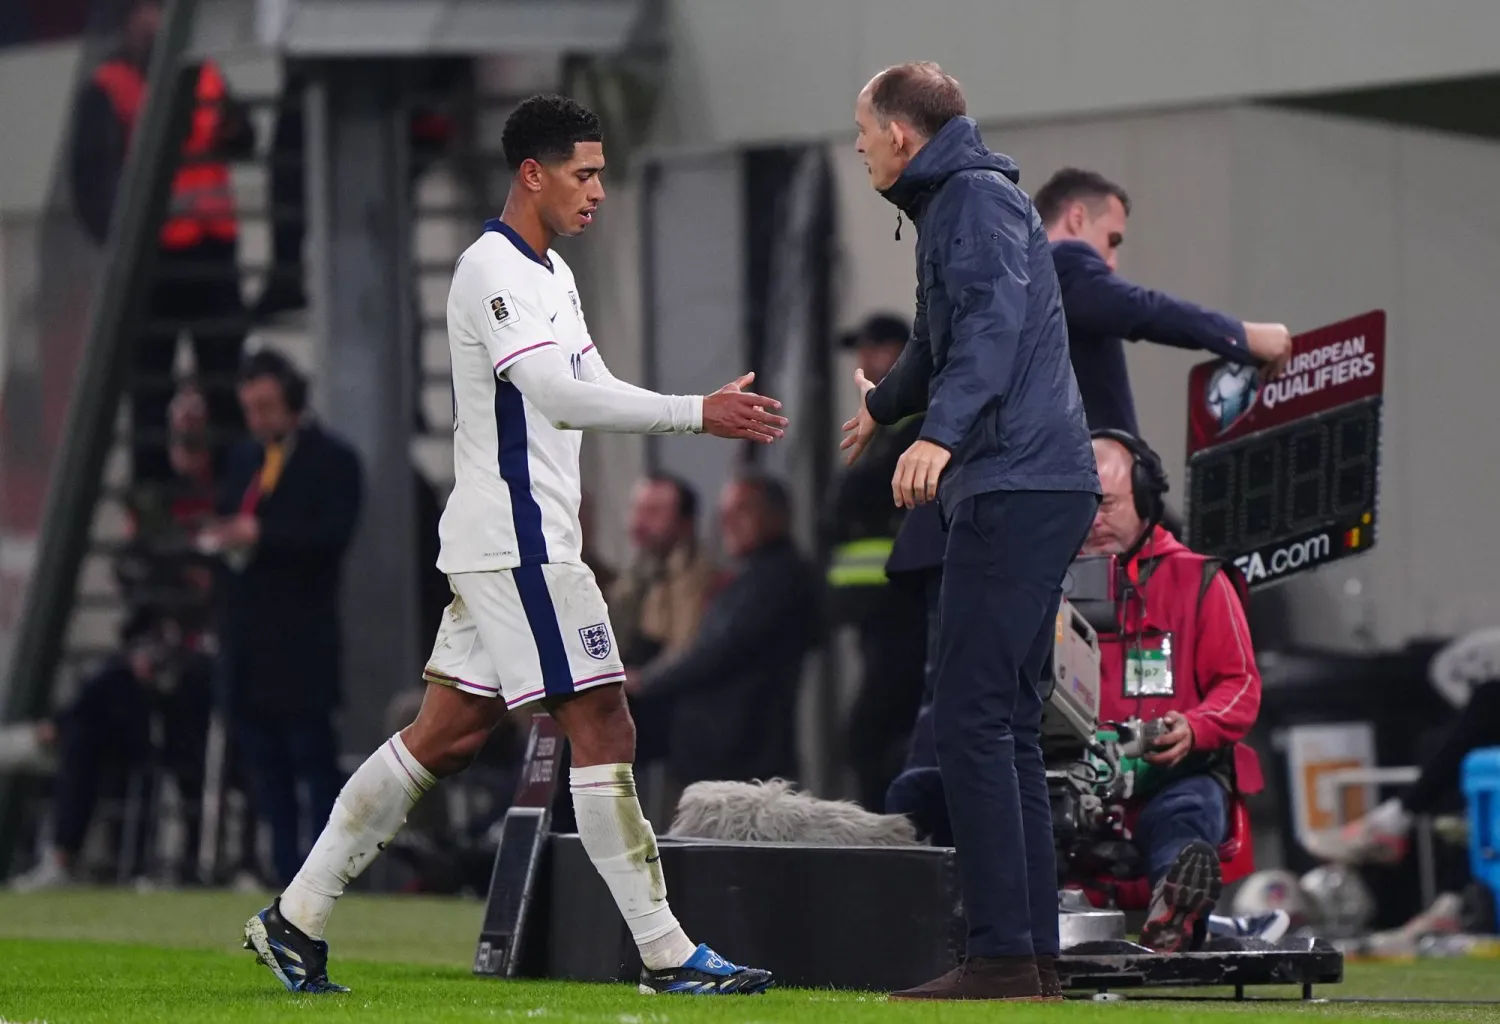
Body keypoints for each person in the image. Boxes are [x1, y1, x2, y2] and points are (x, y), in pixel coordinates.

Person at [243, 94, 784, 996]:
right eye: (586, 172)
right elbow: (557, 397)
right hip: (521, 546)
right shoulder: (488, 271)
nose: (599, 190)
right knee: (605, 720)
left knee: (444, 736)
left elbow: (591, 383)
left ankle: (294, 918)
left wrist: (694, 405)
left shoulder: (553, 274)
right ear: (532, 173)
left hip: (514, 541)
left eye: (602, 172)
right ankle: (667, 954)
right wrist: (696, 414)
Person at [842, 63, 1100, 1002]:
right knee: (1006, 726)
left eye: (864, 128)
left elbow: (989, 327)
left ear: (902, 135)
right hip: (1036, 482)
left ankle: (999, 957)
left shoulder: (971, 203)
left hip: (1013, 482)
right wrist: (890, 408)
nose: (860, 144)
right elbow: (935, 337)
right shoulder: (958, 199)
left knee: (970, 720)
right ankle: (1029, 961)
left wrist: (939, 437)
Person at [1078, 430, 1264, 951]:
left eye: (1107, 504)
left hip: (1168, 779)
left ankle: (1176, 907)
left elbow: (1240, 683)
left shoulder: (1199, 580)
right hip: (1071, 784)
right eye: (1082, 504)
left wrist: (1195, 727)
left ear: (1144, 495)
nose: (1093, 518)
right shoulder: (1040, 585)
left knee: (1186, 811)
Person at [69, 0, 255, 482]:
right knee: (151, 391)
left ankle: (232, 492)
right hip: (154, 261)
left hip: (213, 251)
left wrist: (235, 129)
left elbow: (244, 136)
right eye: (148, 10)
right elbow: (92, 184)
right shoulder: (109, 88)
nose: (157, 20)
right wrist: (122, 249)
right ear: (129, 20)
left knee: (226, 385)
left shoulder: (206, 73)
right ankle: (154, 505)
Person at [208, 350, 363, 887]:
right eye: (249, 408)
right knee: (265, 772)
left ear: (293, 400)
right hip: (249, 641)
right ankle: (281, 875)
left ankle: (324, 877)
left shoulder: (333, 461)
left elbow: (333, 538)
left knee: (313, 766)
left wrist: (263, 537)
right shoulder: (244, 458)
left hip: (301, 643)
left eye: (267, 406)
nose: (258, 419)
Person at [1034, 168, 1293, 436]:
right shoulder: (1061, 264)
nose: (1112, 263)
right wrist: (1240, 335)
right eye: (1112, 241)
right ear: (1077, 218)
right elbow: (1143, 308)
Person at [627, 475, 823, 788]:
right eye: (724, 513)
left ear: (778, 515)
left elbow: (719, 650)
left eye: (742, 510)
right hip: (722, 757)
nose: (728, 522)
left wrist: (645, 681)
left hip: (745, 761)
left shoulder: (778, 579)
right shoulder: (753, 577)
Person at [824, 315, 929, 811]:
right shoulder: (886, 425)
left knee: (876, 734)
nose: (864, 362)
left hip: (905, 607)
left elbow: (866, 497)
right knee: (873, 734)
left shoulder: (918, 422)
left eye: (876, 350)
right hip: (877, 614)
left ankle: (892, 840)